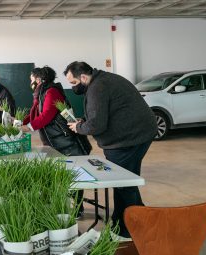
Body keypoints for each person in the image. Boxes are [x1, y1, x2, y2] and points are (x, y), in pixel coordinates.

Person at [64, 61, 157, 238]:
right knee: (127, 181)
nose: (73, 87)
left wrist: (79, 128)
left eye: (74, 83)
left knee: (124, 184)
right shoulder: (102, 80)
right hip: (137, 134)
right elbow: (98, 113)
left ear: (83, 77)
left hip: (130, 139)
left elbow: (97, 125)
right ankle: (136, 218)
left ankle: (129, 228)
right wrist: (84, 120)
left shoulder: (98, 87)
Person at [21, 66, 92, 216]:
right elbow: (34, 112)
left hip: (66, 141)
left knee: (73, 176)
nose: (31, 82)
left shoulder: (51, 92)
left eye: (32, 79)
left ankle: (77, 209)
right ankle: (65, 205)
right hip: (54, 141)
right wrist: (20, 122)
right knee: (61, 175)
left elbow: (47, 114)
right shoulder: (41, 92)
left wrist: (28, 127)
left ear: (39, 79)